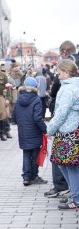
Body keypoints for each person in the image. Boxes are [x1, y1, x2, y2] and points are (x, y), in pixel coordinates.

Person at [47, 60, 79, 209]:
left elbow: (61, 113)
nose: (57, 76)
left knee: (68, 165)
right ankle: (75, 195)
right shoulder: (74, 85)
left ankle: (76, 198)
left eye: (59, 72)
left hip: (68, 130)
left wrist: (50, 129)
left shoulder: (68, 89)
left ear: (66, 72)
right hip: (72, 129)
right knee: (67, 165)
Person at [12, 77, 47, 186]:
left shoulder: (19, 99)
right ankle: (34, 176)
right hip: (34, 131)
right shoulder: (36, 99)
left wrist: (21, 124)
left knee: (26, 154)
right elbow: (37, 118)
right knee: (35, 154)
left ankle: (26, 177)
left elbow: (14, 116)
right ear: (35, 87)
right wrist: (45, 129)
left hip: (23, 131)